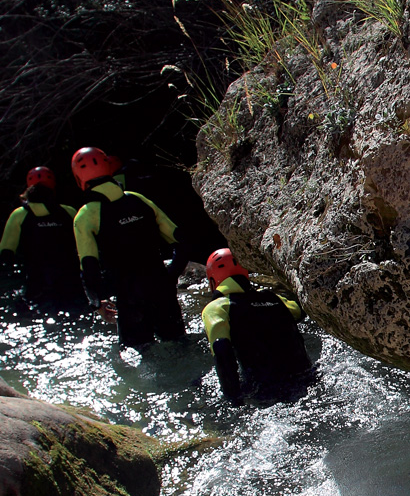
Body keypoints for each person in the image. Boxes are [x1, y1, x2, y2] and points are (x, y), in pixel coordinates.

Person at [69, 146, 187, 350]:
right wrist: (170, 276)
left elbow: (89, 268)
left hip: (129, 300)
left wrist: (97, 303)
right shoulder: (138, 199)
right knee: (180, 348)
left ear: (79, 178)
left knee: (142, 356)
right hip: (163, 291)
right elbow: (183, 242)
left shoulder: (85, 216)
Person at [199, 248, 314, 403]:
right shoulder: (275, 298)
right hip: (308, 380)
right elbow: (301, 311)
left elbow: (221, 351)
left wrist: (234, 399)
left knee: (197, 385)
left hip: (265, 392)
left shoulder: (217, 308)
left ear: (212, 280)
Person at [0, 166, 87, 313]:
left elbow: (5, 251)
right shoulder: (69, 212)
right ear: (53, 187)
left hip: (37, 282)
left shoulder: (19, 215)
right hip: (71, 281)